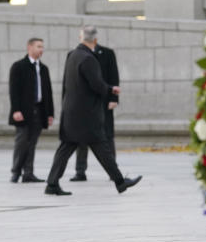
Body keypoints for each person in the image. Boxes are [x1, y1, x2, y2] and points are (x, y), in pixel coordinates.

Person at [44, 26, 142, 196]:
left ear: (81, 38)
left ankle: (52, 184)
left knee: (66, 148)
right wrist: (112, 90)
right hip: (87, 115)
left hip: (72, 113)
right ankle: (120, 182)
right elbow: (97, 85)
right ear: (95, 41)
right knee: (102, 148)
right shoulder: (89, 59)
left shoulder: (73, 55)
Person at [71, 35, 119, 181]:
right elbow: (70, 82)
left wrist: (113, 98)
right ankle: (80, 171)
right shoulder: (74, 55)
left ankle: (113, 171)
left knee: (107, 136)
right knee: (80, 140)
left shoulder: (107, 53)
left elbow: (113, 76)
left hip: (104, 102)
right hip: (83, 105)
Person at [8, 37, 54, 183]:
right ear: (29, 47)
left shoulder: (44, 69)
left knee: (32, 143)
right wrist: (16, 110)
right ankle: (16, 172)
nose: (41, 49)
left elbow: (48, 92)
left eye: (42, 47)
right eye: (38, 46)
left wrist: (50, 113)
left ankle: (28, 173)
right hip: (23, 111)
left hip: (39, 111)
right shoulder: (18, 66)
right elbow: (13, 91)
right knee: (22, 143)